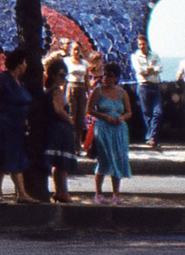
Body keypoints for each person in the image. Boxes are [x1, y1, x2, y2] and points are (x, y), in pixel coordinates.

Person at [0, 48, 38, 203]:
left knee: (17, 157)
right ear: (19, 64)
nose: (26, 65)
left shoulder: (19, 82)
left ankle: (21, 193)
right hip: (2, 124)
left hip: (16, 126)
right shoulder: (3, 78)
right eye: (25, 62)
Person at [87, 62, 132, 203]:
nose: (105, 78)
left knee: (118, 159)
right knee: (104, 159)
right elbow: (89, 110)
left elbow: (129, 112)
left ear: (116, 78)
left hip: (118, 129)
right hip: (103, 128)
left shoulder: (122, 93)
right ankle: (98, 193)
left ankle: (116, 194)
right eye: (104, 75)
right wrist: (105, 116)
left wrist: (122, 118)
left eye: (109, 75)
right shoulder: (98, 91)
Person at [42, 55, 77, 202]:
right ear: (53, 75)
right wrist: (69, 120)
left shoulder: (46, 90)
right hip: (60, 129)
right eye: (61, 75)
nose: (63, 78)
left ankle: (59, 192)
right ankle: (64, 192)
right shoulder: (57, 91)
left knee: (58, 163)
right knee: (62, 165)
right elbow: (58, 109)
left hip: (52, 127)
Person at [130, 34, 163, 148]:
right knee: (147, 113)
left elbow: (160, 68)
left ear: (147, 44)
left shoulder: (154, 55)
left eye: (143, 44)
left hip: (155, 86)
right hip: (143, 86)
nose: (141, 46)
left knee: (158, 112)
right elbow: (139, 71)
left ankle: (151, 136)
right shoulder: (135, 56)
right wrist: (151, 70)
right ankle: (152, 137)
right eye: (139, 44)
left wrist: (149, 70)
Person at [64, 41, 90, 148]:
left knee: (80, 117)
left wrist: (89, 92)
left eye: (78, 49)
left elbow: (87, 79)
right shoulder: (66, 61)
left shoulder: (84, 63)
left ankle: (77, 143)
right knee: (72, 115)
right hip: (71, 86)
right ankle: (69, 142)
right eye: (74, 49)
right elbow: (63, 77)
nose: (76, 51)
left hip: (82, 87)